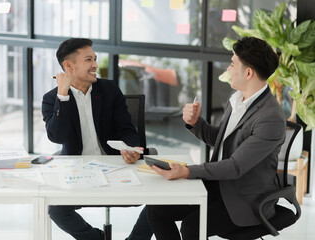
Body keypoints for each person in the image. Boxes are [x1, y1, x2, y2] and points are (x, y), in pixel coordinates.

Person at [147, 36, 286, 240]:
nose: (228, 69)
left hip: (245, 199)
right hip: (220, 185)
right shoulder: (238, 99)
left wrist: (187, 172)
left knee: (192, 226)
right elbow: (224, 141)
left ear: (248, 73)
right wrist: (196, 123)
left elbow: (235, 166)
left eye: (232, 64)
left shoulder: (270, 118)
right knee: (157, 210)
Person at [42, 38, 153, 240]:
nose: (95, 65)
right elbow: (57, 136)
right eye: (88, 60)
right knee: (56, 209)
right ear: (68, 66)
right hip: (78, 170)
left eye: (95, 59)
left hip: (116, 165)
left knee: (160, 199)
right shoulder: (52, 98)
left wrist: (132, 147)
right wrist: (63, 95)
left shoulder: (109, 89)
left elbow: (126, 128)